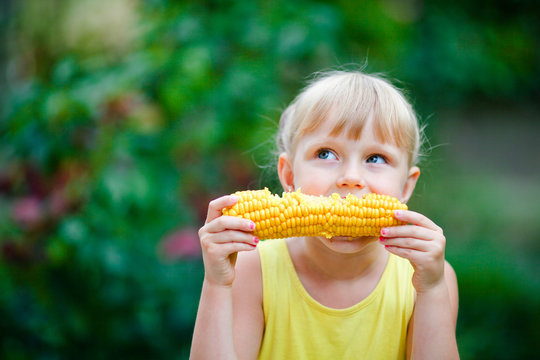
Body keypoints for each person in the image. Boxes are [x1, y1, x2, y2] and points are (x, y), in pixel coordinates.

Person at [190, 70, 459, 359]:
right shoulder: (253, 269)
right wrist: (216, 285)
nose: (351, 178)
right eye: (326, 154)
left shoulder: (428, 278)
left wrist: (431, 291)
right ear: (290, 175)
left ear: (406, 186)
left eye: (375, 158)